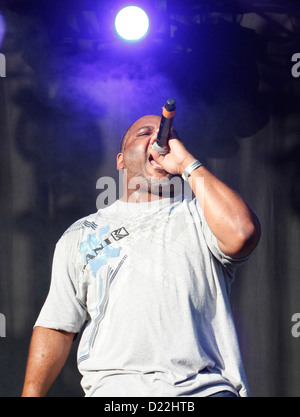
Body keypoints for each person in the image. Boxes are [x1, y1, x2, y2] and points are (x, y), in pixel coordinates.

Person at [22, 114, 261, 397]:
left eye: (169, 135)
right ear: (120, 160)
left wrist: (186, 164)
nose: (160, 140)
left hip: (203, 392)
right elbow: (57, 325)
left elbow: (242, 232)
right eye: (144, 132)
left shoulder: (200, 216)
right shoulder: (82, 234)